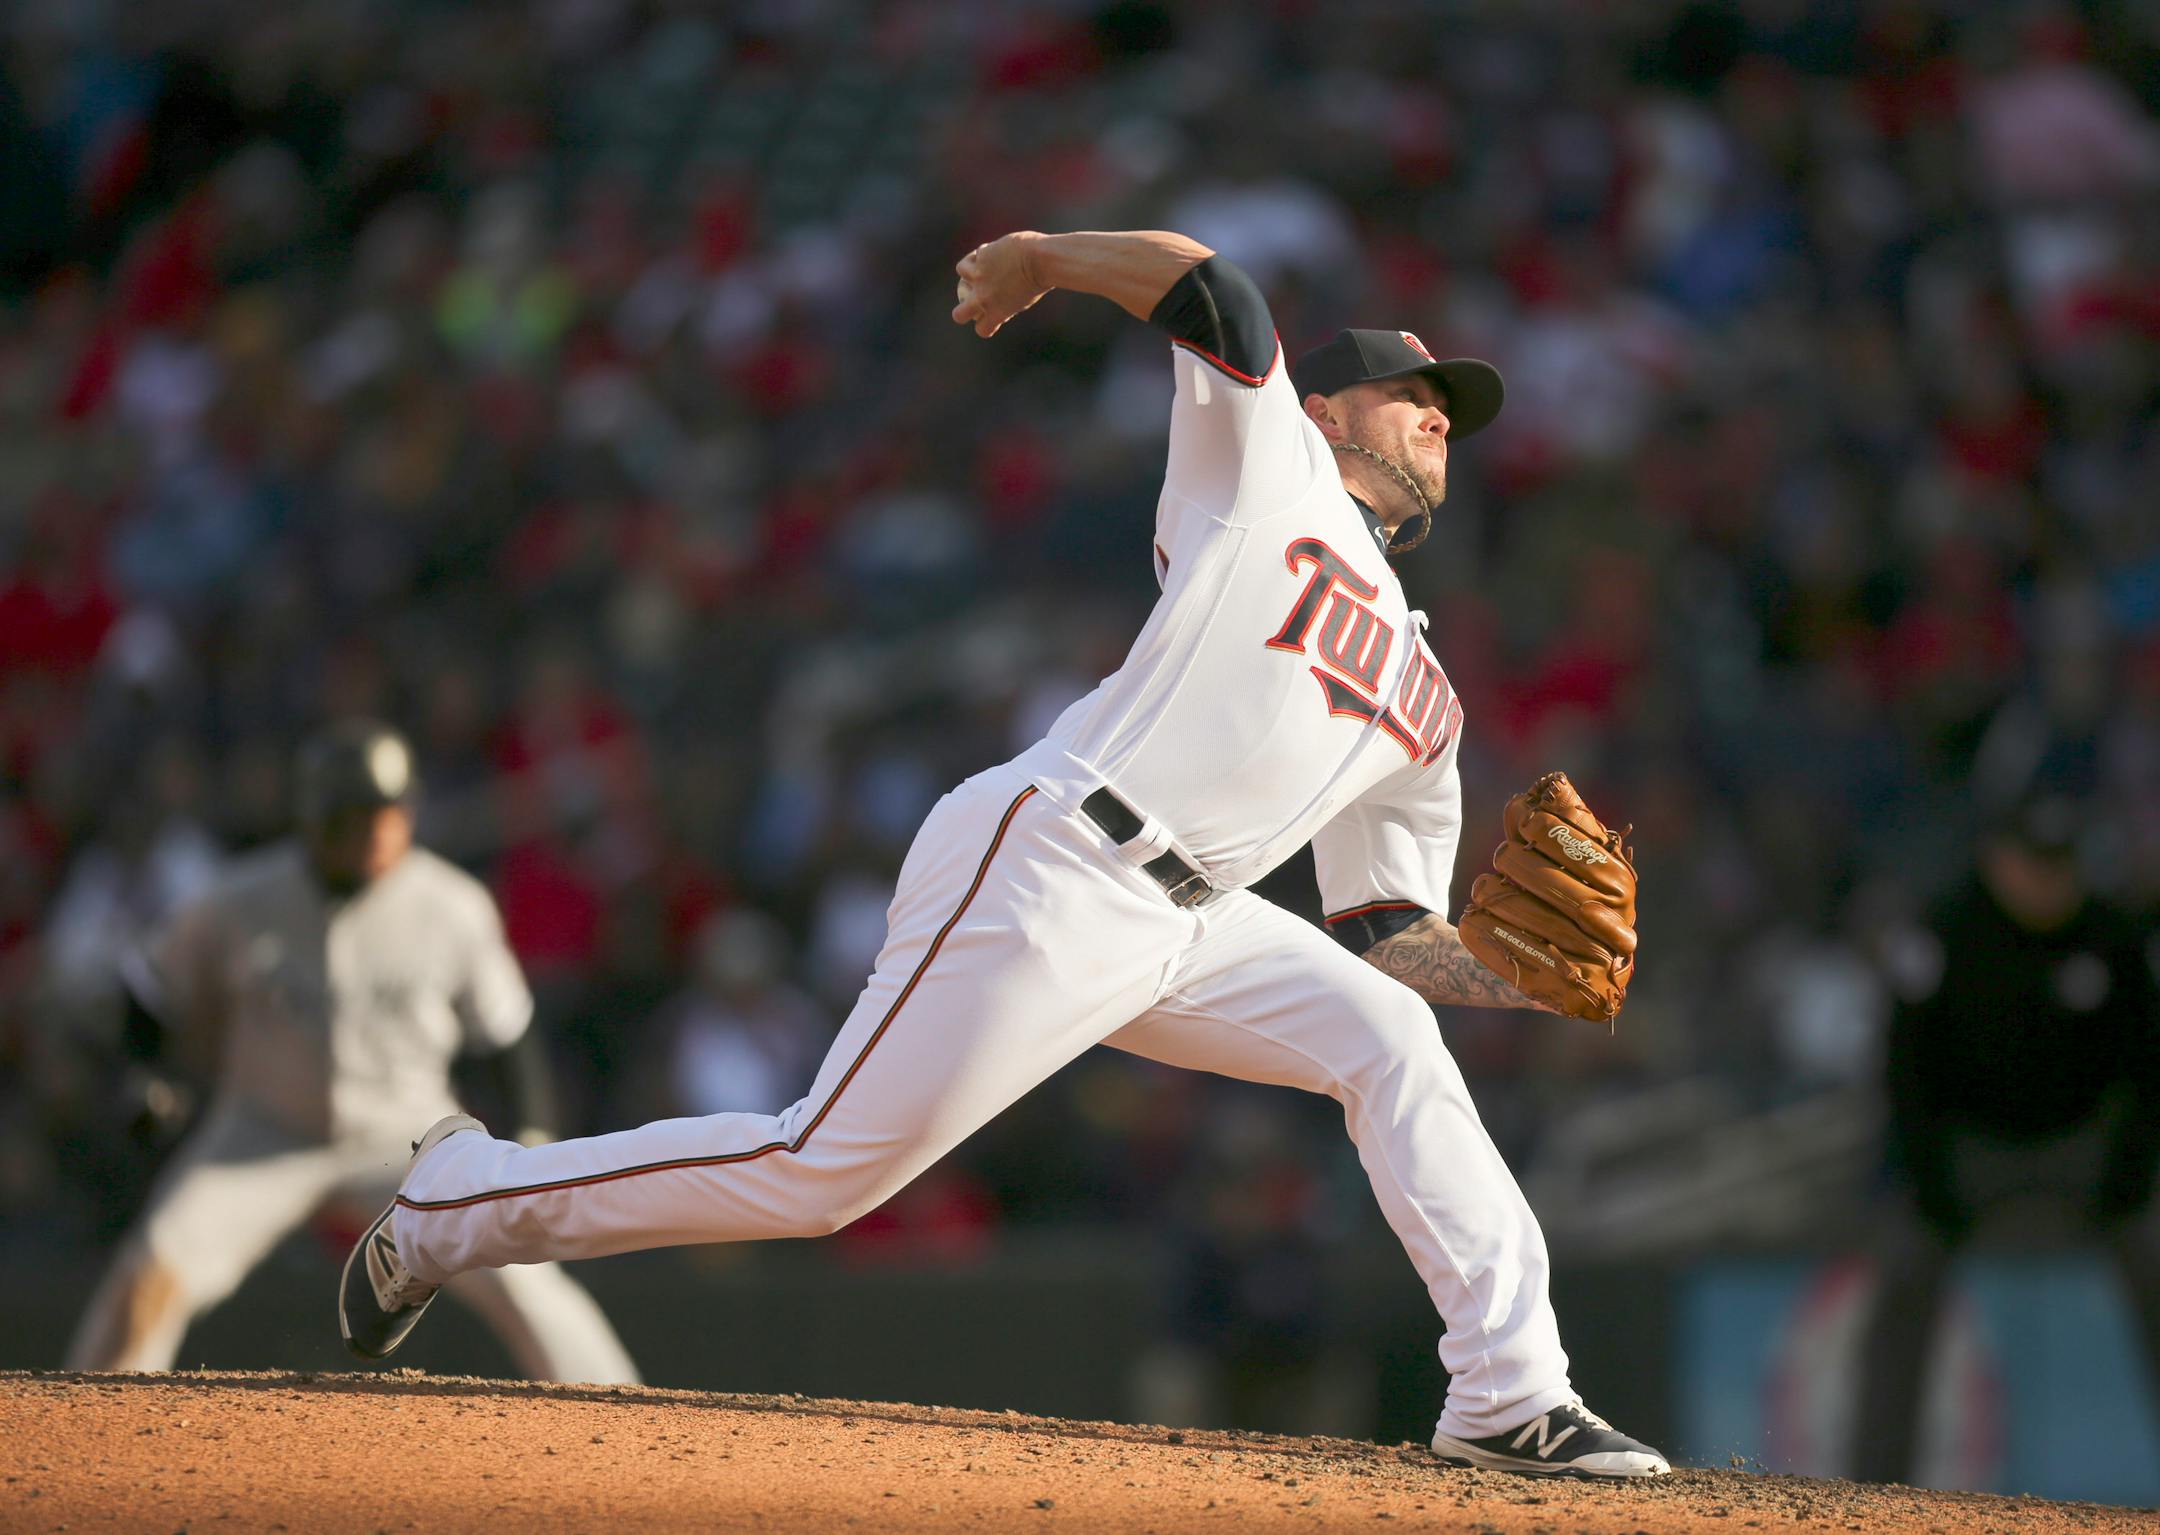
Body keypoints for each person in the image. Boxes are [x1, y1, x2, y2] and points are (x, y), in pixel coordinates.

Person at [340, 230, 1668, 1477]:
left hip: (1196, 923)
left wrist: (1515, 974)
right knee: (819, 1173)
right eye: (1408, 389)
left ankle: (1508, 1392)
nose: (1439, 411)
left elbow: (1387, 926)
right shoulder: (1271, 474)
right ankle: (458, 1197)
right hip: (1059, 856)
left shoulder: (1430, 700)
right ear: (1324, 409)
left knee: (1391, 1033)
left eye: (1452, 407)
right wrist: (1047, 258)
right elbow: (1216, 291)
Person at [69, 720, 638, 1385]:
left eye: (388, 812)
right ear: (312, 817)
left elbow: (507, 1037)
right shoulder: (241, 898)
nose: (375, 830)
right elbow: (149, 990)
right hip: (262, 1129)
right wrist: (144, 1073)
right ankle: (87, 1436)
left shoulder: (451, 906)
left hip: (409, 1136)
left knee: (527, 1279)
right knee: (151, 1271)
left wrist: (533, 1131)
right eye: (354, 814)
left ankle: (627, 1420)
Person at [1851, 792, 2160, 1482]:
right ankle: (1872, 1485)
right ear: (1998, 860)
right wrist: (1931, 1182)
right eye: (2033, 864)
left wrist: (2129, 1172)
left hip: (2081, 1148)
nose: (2047, 882)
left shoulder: (2112, 935)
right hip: (1970, 1150)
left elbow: (2149, 1070)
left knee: (2155, 1252)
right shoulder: (1945, 930)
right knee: (1902, 1266)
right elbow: (1905, 1072)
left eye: (2060, 866)